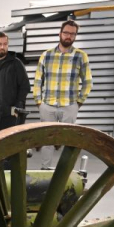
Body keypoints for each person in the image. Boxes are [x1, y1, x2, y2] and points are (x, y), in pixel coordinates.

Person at [32, 20, 93, 169]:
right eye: (66, 33)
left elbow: (87, 81)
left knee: (68, 141)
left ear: (75, 37)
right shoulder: (46, 55)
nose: (68, 36)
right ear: (60, 33)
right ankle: (45, 169)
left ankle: (64, 172)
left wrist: (78, 103)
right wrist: (39, 102)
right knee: (47, 140)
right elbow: (38, 80)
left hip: (69, 105)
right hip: (48, 105)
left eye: (72, 34)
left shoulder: (81, 56)